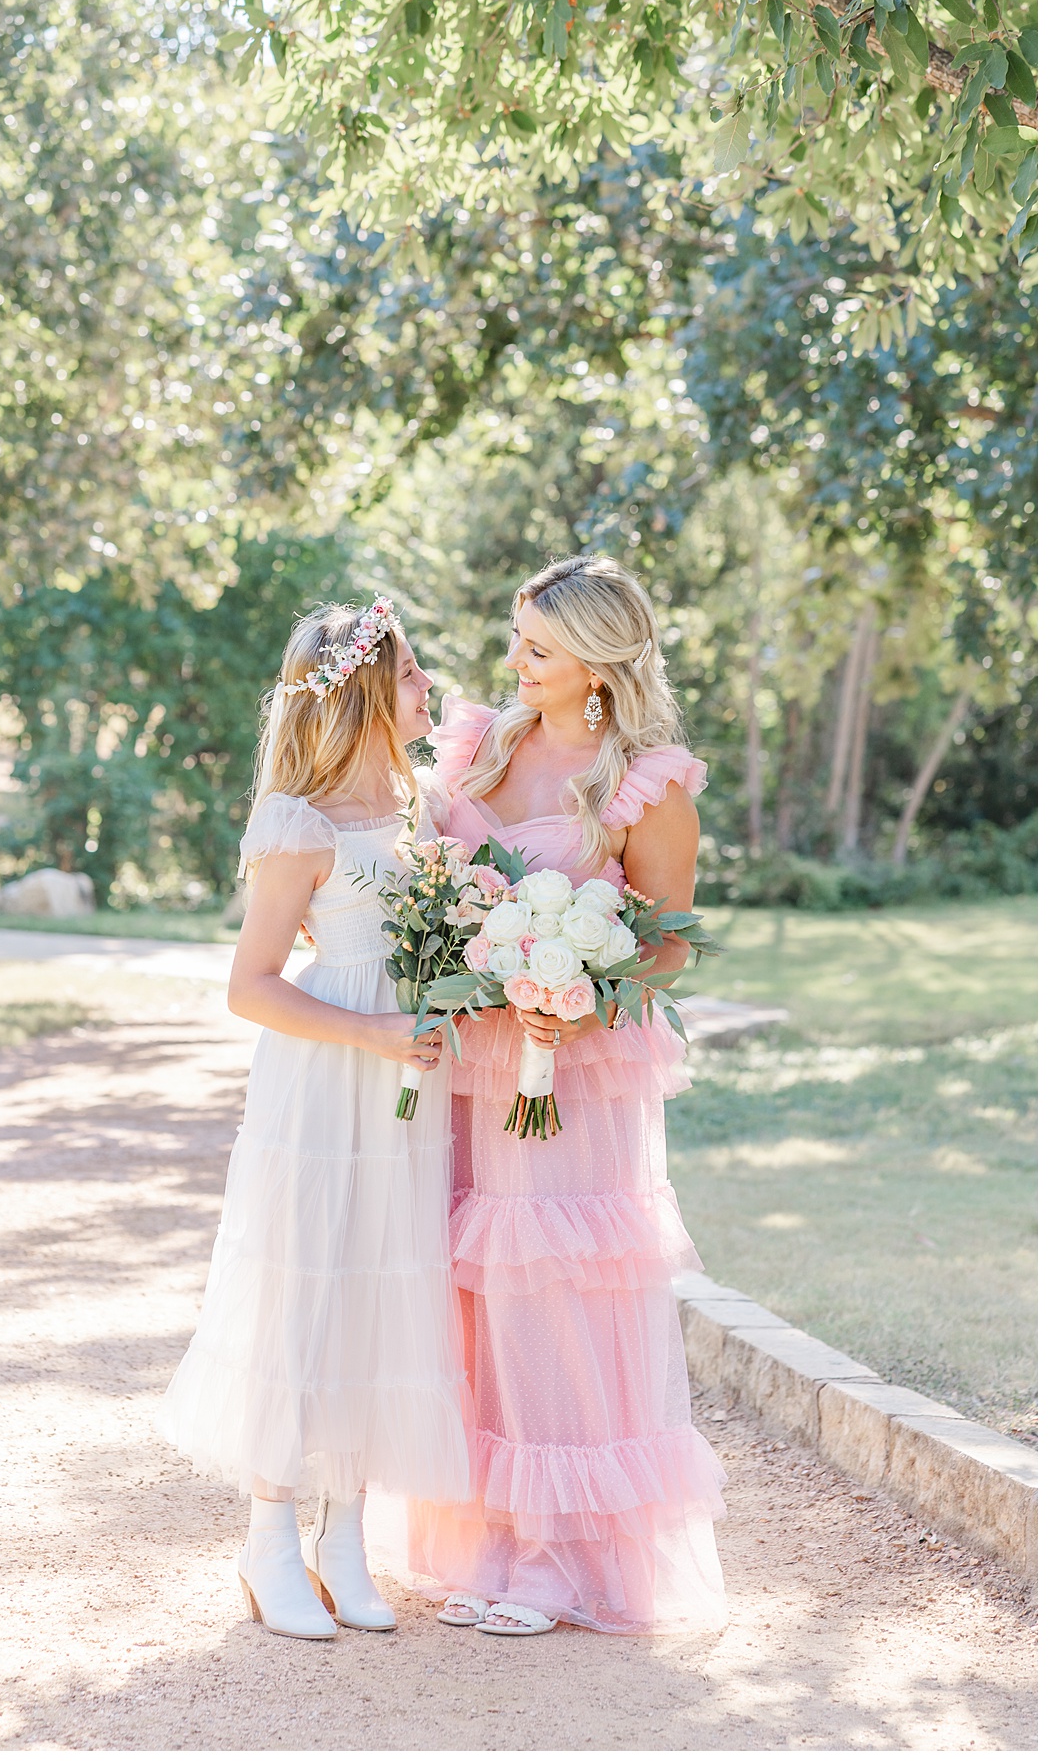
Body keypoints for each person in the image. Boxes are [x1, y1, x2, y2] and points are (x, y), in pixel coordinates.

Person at [410, 554, 728, 1637]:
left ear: (597, 663)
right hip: (474, 1064)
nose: (515, 661)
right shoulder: (482, 743)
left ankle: (559, 1555)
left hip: (574, 1077)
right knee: (477, 1298)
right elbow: (435, 884)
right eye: (517, 638)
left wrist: (582, 996)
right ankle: (490, 1534)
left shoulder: (647, 784)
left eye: (537, 647)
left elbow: (673, 945)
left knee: (552, 1297)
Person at [160, 598, 471, 1641]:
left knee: (385, 1287)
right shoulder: (298, 820)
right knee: (305, 1292)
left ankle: (348, 1535)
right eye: (417, 673)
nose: (432, 688)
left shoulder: (424, 806)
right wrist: (374, 1030)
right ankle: (268, 1536)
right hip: (326, 1077)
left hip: (404, 1088)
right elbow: (250, 985)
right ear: (366, 691)